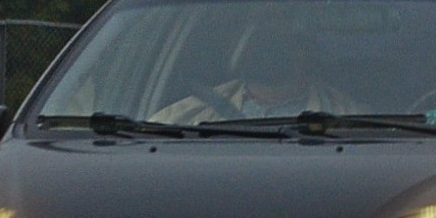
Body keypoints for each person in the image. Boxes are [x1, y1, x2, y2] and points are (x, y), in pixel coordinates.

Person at [154, 19, 362, 125]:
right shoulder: (189, 115)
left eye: (280, 42)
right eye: (260, 41)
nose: (267, 50)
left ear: (306, 54)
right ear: (240, 52)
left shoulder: (349, 117)